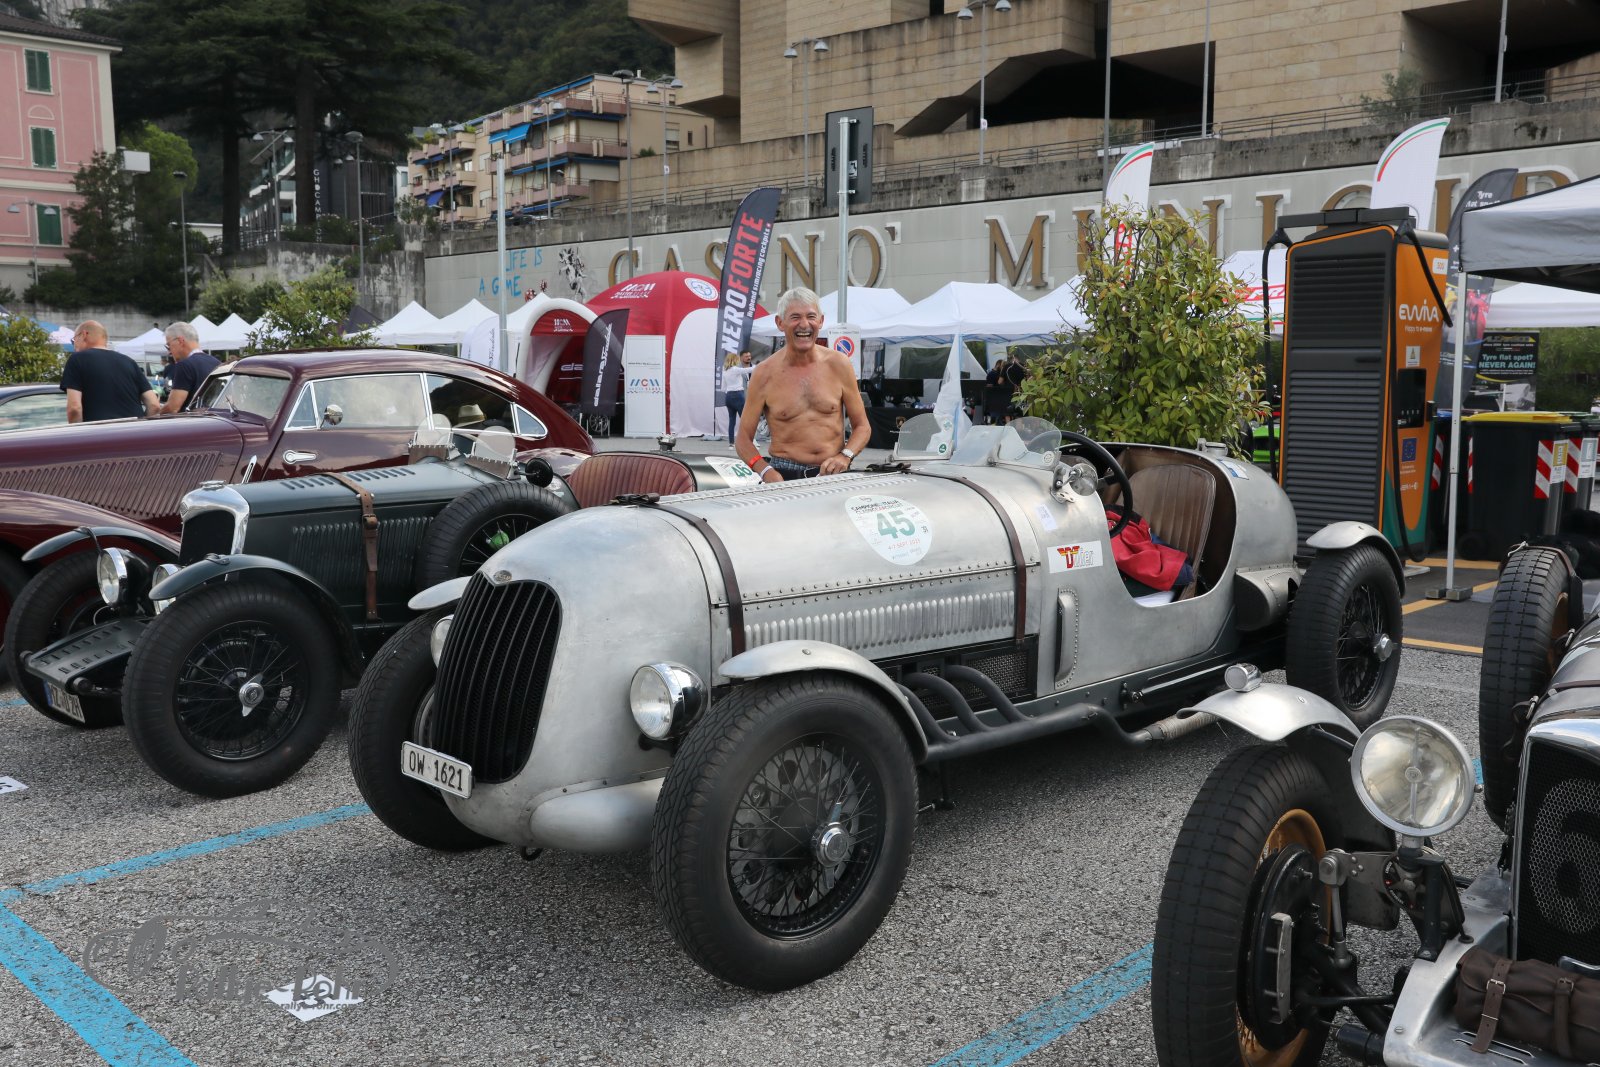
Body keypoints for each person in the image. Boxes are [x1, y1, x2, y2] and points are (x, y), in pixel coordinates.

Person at [735, 287, 870, 481]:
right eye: (795, 317)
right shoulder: (764, 373)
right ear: (780, 323)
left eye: (811, 316)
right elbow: (743, 440)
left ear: (821, 321)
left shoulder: (839, 364)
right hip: (784, 474)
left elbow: (862, 427)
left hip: (833, 472)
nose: (804, 324)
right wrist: (765, 471)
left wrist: (845, 456)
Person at [61, 321, 158, 423]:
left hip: (99, 431)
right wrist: (142, 426)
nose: (74, 345)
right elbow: (154, 405)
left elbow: (74, 408)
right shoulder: (130, 362)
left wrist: (77, 432)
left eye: (74, 340)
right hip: (135, 430)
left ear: (84, 334)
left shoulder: (77, 359)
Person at [160, 322, 221, 413]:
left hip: (191, 420)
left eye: (168, 345)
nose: (169, 352)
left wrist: (154, 416)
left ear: (180, 341)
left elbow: (172, 408)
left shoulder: (185, 365)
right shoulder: (217, 363)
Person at [722, 350, 752, 444]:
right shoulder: (735, 369)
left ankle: (731, 443)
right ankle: (747, 441)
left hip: (728, 396)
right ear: (735, 360)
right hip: (738, 395)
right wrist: (762, 365)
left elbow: (723, 388)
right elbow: (750, 369)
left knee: (732, 421)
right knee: (744, 420)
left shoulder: (725, 371)